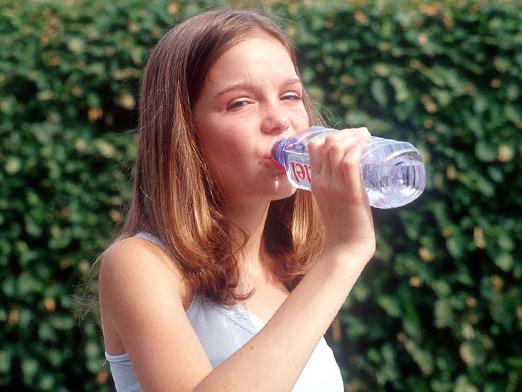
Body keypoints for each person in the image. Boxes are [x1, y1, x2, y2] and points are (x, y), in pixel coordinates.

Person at [98, 8, 375, 392]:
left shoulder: (284, 273)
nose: (280, 120)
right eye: (241, 102)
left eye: (290, 95)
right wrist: (343, 254)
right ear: (184, 133)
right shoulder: (140, 265)